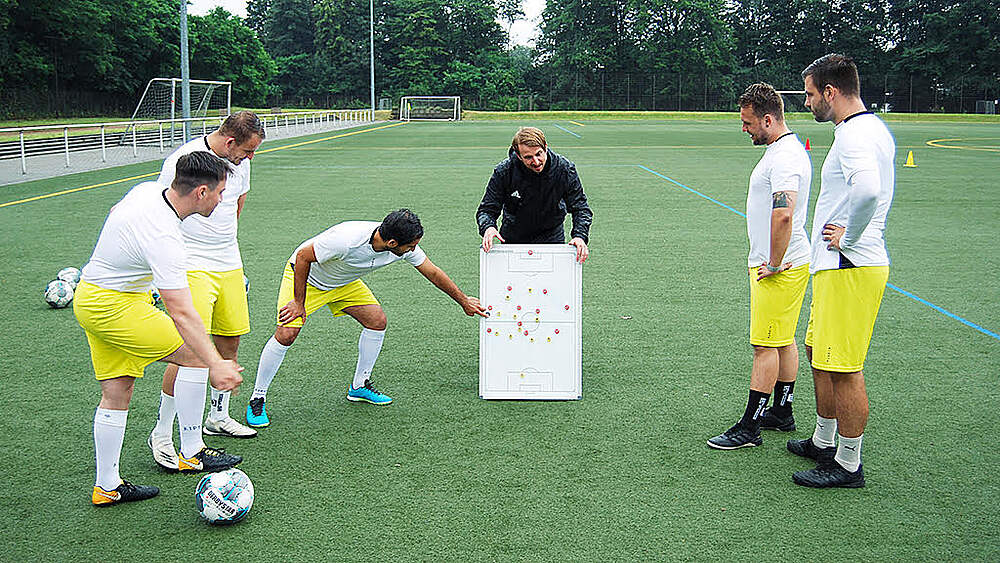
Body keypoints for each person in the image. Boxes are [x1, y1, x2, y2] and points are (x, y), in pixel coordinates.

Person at [74, 152, 244, 506]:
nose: (223, 199)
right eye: (220, 192)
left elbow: (113, 217)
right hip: (113, 306)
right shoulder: (165, 236)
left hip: (94, 296)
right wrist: (217, 363)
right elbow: (181, 311)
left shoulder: (147, 191)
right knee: (196, 358)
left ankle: (107, 486)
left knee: (118, 390)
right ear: (200, 192)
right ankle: (192, 451)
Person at [246, 209, 486, 427]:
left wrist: (463, 300)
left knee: (377, 321)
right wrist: (299, 302)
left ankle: (359, 386)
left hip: (343, 283)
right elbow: (302, 257)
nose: (413, 249)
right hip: (308, 279)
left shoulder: (401, 244)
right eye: (411, 246)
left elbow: (432, 272)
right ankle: (257, 397)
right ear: (392, 242)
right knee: (287, 333)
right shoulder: (346, 239)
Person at [789, 54, 895, 488]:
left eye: (812, 95)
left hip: (850, 265)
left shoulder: (854, 135)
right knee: (819, 352)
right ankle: (824, 438)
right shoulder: (863, 129)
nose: (810, 103)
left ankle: (848, 463)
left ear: (831, 92)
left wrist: (848, 237)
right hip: (836, 266)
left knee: (845, 367)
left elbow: (868, 189)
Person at [147, 111, 264, 473]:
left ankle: (218, 416)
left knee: (230, 341)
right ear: (229, 143)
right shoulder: (182, 161)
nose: (250, 158)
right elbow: (163, 209)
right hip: (191, 264)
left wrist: (229, 250)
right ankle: (163, 433)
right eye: (247, 151)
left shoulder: (239, 164)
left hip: (229, 262)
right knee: (190, 352)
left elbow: (238, 204)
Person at [707, 83, 811, 450]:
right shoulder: (782, 150)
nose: (744, 128)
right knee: (783, 339)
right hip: (787, 262)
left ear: (768, 119)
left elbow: (783, 214)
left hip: (779, 266)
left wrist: (775, 263)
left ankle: (749, 426)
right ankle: (782, 411)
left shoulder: (784, 157)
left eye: (748, 122)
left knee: (764, 345)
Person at [476, 127, 593, 263]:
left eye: (539, 154)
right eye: (528, 157)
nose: (536, 162)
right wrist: (488, 227)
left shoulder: (565, 170)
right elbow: (486, 210)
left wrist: (580, 236)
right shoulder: (504, 172)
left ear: (546, 148)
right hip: (514, 237)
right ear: (519, 156)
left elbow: (581, 208)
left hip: (551, 236)